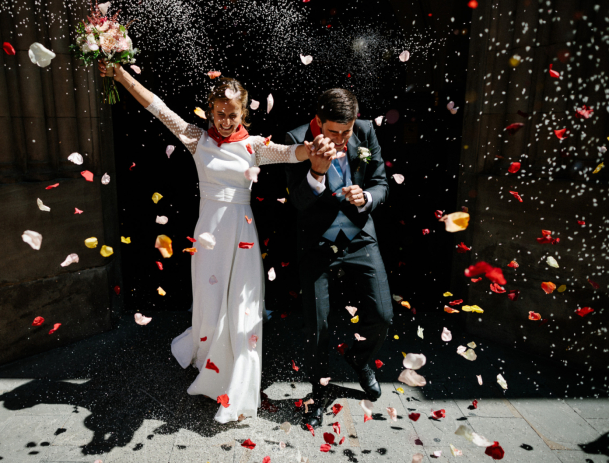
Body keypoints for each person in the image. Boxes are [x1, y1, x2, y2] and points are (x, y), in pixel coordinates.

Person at [98, 60, 336, 423]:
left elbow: (293, 153)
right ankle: (210, 367)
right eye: (220, 113)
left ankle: (239, 386)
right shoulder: (197, 139)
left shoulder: (255, 146)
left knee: (242, 313)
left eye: (233, 114)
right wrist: (120, 74)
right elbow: (156, 106)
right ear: (210, 110)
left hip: (242, 234)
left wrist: (314, 150)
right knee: (210, 307)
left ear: (244, 112)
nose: (225, 120)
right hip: (209, 238)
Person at [284, 88, 394, 428]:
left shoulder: (365, 131)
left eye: (346, 132)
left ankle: (359, 360)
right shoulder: (295, 139)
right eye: (333, 132)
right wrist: (316, 174)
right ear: (318, 122)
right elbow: (298, 203)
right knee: (318, 326)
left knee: (383, 315)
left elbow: (381, 183)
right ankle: (318, 394)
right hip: (318, 242)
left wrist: (366, 197)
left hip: (360, 237)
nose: (342, 138)